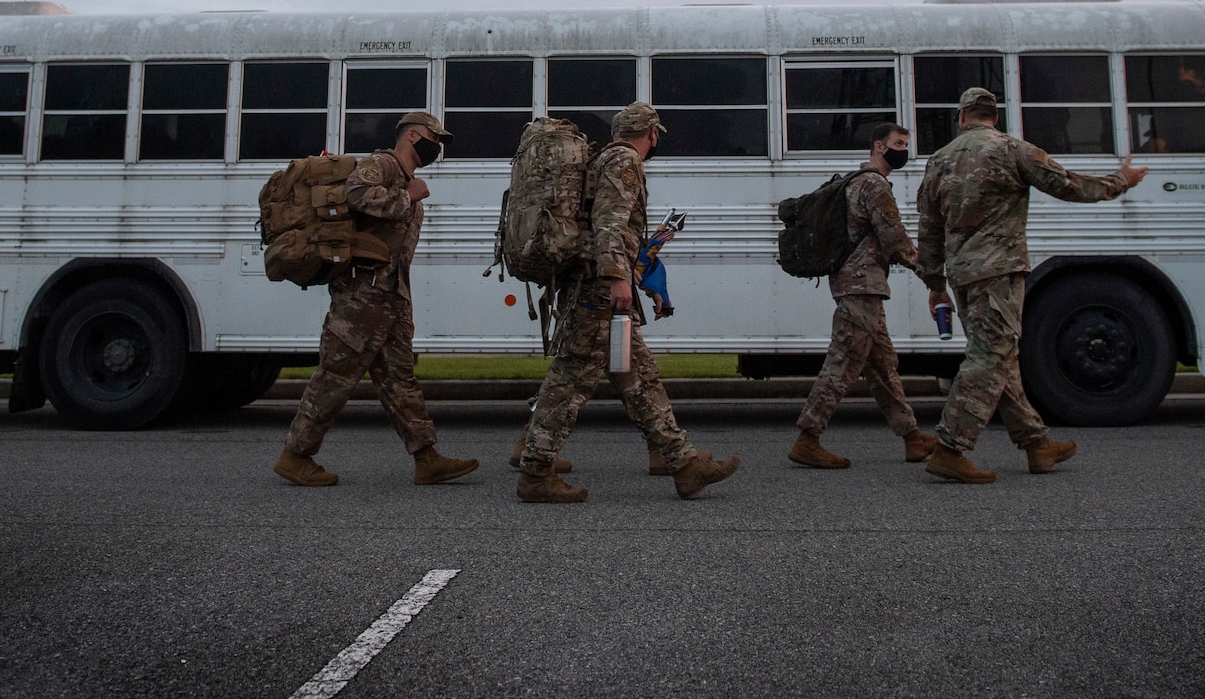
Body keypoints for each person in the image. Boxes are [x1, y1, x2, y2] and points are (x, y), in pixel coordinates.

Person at [916, 88, 1146, 482]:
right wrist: (1120, 181)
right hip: (1000, 272)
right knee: (989, 359)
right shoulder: (1013, 150)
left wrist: (935, 283)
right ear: (995, 117)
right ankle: (951, 448)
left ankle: (1036, 444)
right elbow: (1067, 185)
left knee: (999, 356)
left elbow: (929, 228)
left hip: (961, 275)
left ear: (961, 117)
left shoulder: (939, 160)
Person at [516, 102, 741, 503]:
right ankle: (535, 471)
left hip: (596, 282)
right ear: (652, 133)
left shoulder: (606, 157)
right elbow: (610, 221)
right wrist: (616, 277)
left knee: (639, 377)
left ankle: (683, 462)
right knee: (570, 380)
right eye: (656, 136)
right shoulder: (624, 161)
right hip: (599, 288)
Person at [275, 113, 480, 488]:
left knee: (400, 380)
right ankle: (296, 455)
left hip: (391, 297)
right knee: (336, 376)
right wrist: (408, 196)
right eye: (435, 140)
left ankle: (426, 457)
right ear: (414, 135)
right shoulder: (382, 165)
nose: (437, 149)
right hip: (362, 298)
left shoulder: (403, 177)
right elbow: (354, 194)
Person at [790, 123, 940, 469]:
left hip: (862, 285)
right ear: (878, 146)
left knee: (883, 366)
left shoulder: (859, 182)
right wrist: (934, 277)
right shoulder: (873, 185)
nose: (903, 150)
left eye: (905, 143)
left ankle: (912, 437)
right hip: (861, 286)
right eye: (897, 143)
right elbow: (896, 240)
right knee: (842, 363)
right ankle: (808, 437)